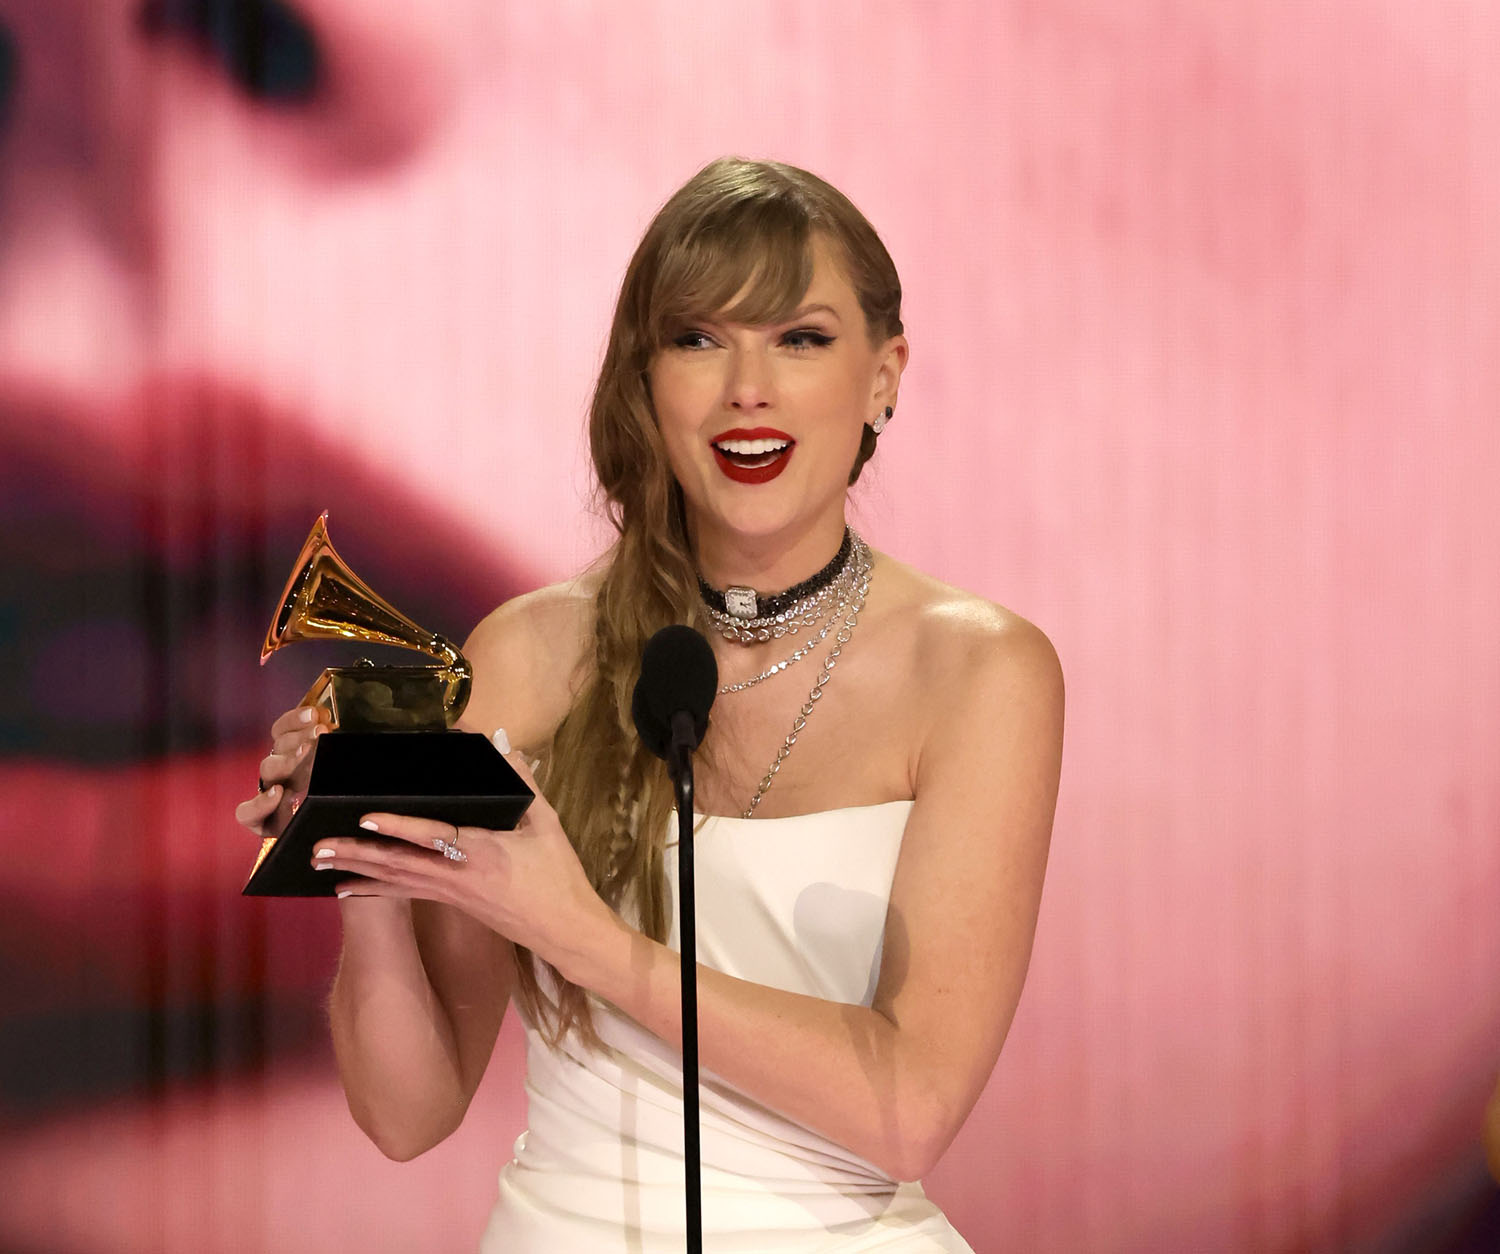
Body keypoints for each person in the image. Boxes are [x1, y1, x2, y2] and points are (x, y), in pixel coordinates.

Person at [238, 156, 1062, 1251]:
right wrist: (361, 855)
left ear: (884, 377)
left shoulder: (981, 672)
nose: (747, 389)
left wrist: (581, 938)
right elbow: (408, 1116)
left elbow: (911, 1113)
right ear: (645, 380)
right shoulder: (531, 652)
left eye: (800, 339)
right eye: (698, 339)